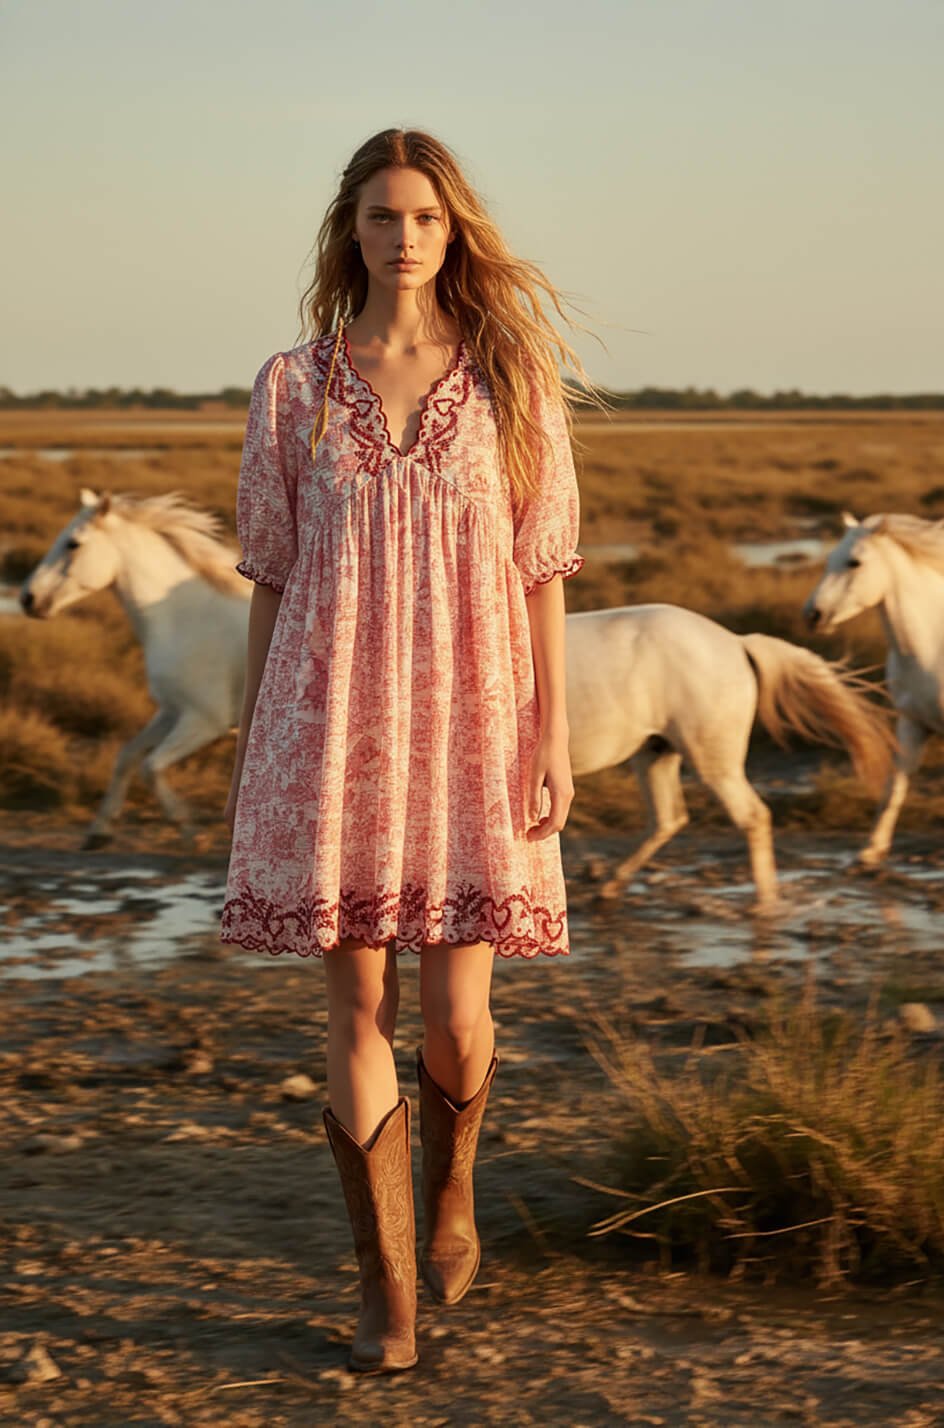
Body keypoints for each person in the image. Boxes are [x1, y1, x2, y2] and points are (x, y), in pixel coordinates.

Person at [219, 127, 594, 1374]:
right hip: (327, 725)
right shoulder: (291, 385)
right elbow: (270, 576)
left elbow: (541, 571)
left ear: (453, 229)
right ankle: (386, 1289)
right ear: (353, 231)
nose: (404, 236)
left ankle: (451, 1192)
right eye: (382, 216)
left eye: (425, 216)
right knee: (357, 1002)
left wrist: (551, 729)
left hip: (475, 715)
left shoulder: (508, 379)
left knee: (458, 1009)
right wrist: (250, 737)